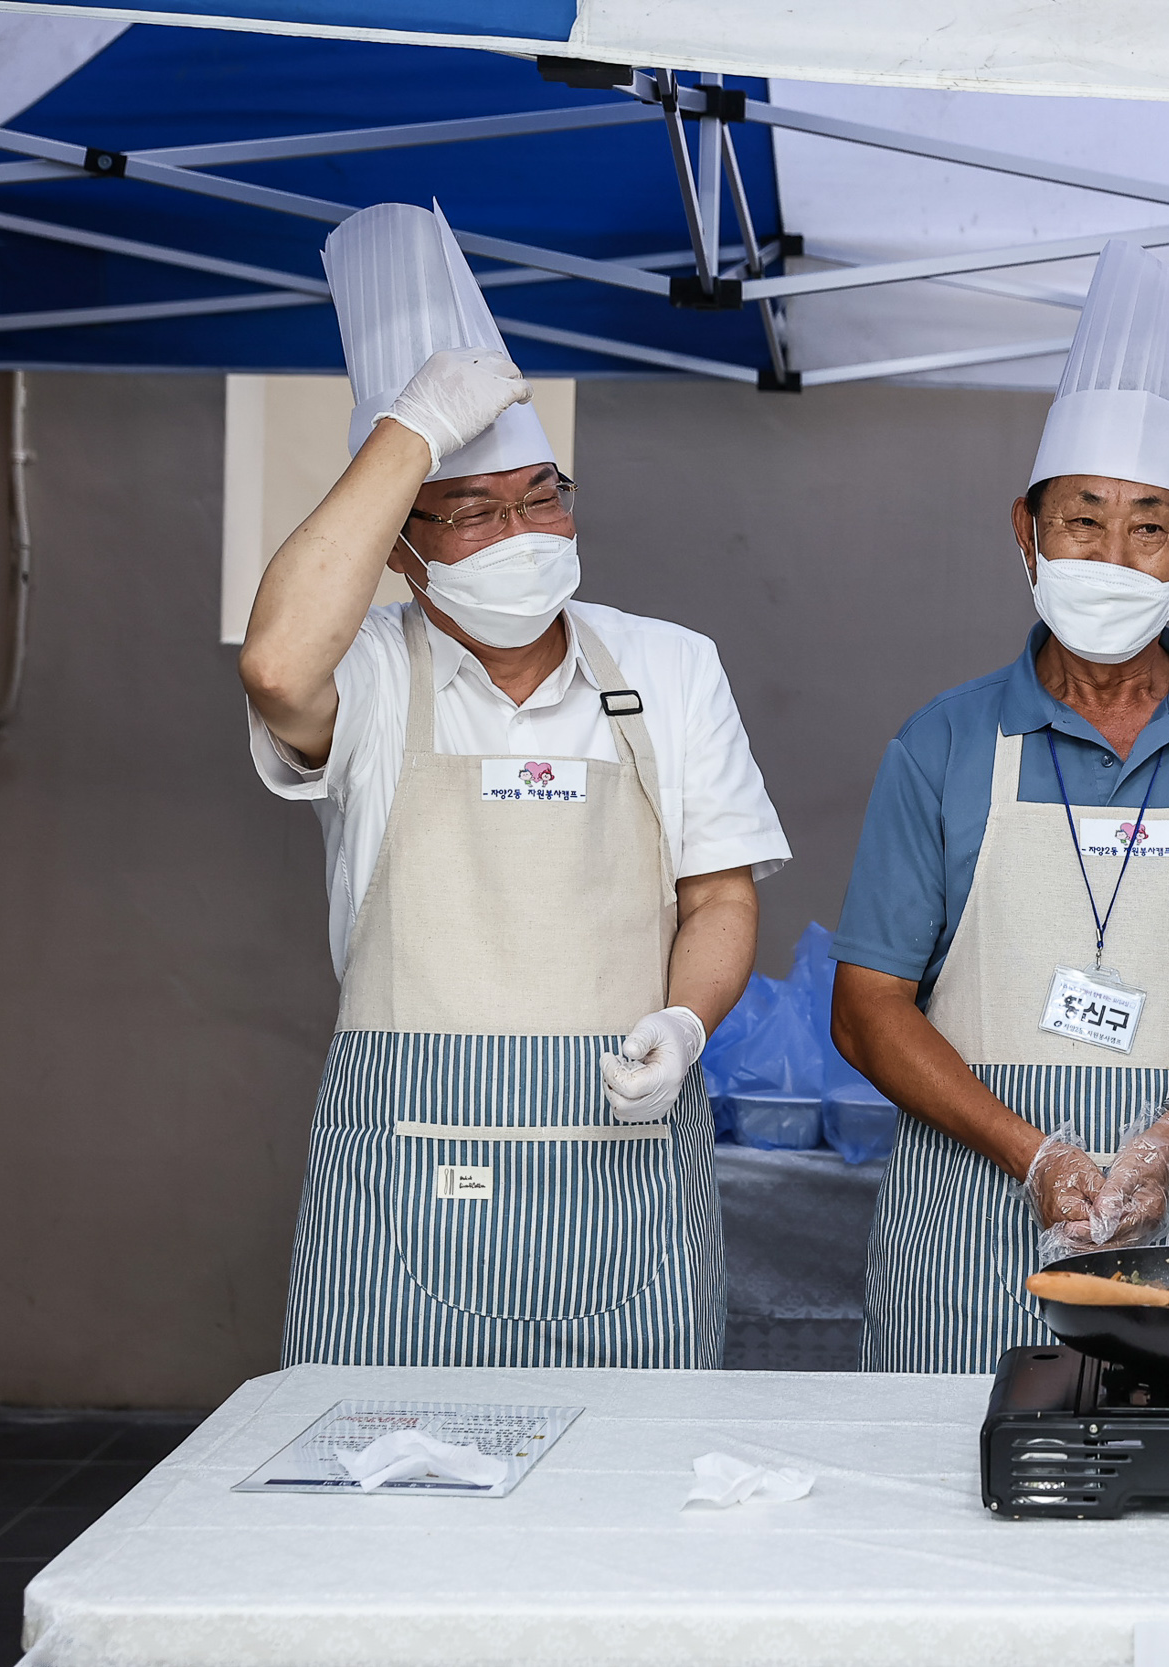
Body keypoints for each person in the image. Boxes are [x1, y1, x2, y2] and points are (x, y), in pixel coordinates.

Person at [239, 203, 790, 1368]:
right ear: (401, 540)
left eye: (543, 496)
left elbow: (721, 897)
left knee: (622, 1513)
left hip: (623, 1160)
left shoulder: (667, 663)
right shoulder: (378, 676)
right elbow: (277, 664)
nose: (522, 530)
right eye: (474, 510)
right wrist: (410, 435)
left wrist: (685, 1023)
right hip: (406, 1177)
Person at [830, 241, 1169, 1373]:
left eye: (1149, 525)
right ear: (1026, 530)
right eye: (1081, 520)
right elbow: (866, 1006)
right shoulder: (945, 741)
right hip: (974, 1226)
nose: (1113, 555)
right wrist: (1032, 1150)